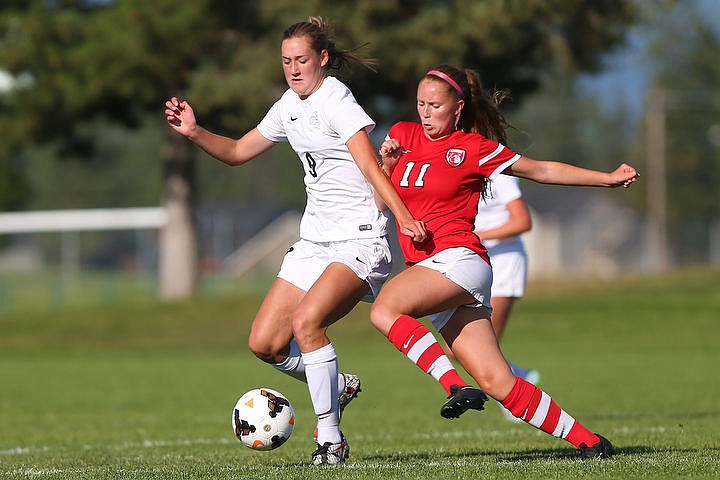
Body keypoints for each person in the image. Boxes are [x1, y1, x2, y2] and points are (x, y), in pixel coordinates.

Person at [164, 19, 480, 465]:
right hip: (314, 241)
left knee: (308, 323)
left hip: (360, 240)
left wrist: (402, 215)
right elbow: (237, 152)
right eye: (286, 61)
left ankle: (331, 440)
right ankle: (338, 385)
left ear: (323, 59)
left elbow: (372, 166)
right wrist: (195, 132)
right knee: (265, 343)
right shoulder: (288, 105)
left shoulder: (336, 100)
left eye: (301, 60)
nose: (293, 69)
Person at [371, 64, 639, 459]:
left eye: (435, 106)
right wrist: (387, 165)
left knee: (385, 310)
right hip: (431, 272)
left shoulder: (473, 148)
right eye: (420, 104)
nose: (425, 113)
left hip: (460, 260)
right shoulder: (401, 136)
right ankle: (591, 442)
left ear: (458, 108)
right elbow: (379, 205)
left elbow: (541, 170)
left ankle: (454, 387)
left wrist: (607, 178)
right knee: (499, 383)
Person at [474, 174, 540, 420]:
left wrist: (477, 236)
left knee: (483, 346)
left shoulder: (499, 173)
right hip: (477, 264)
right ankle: (518, 377)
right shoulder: (462, 165)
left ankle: (518, 398)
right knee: (455, 347)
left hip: (504, 263)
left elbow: (522, 221)